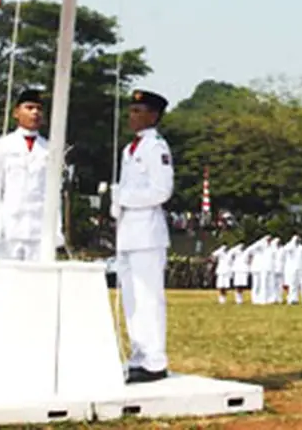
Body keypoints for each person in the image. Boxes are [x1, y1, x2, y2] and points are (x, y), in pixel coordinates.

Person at [111, 89, 174, 383]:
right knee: (131, 299)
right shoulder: (129, 149)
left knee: (149, 297)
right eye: (131, 111)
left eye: (139, 111)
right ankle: (139, 355)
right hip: (127, 234)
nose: (132, 116)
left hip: (148, 233)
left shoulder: (156, 147)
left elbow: (162, 191)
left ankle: (155, 359)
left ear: (153, 115)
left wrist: (123, 197)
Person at [0, 88, 63, 261]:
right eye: (29, 107)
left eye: (39, 109)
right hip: (9, 229)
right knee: (7, 283)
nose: (35, 112)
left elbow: (55, 194)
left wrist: (56, 230)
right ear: (16, 112)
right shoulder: (1, 145)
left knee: (37, 284)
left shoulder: (51, 149)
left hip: (40, 231)